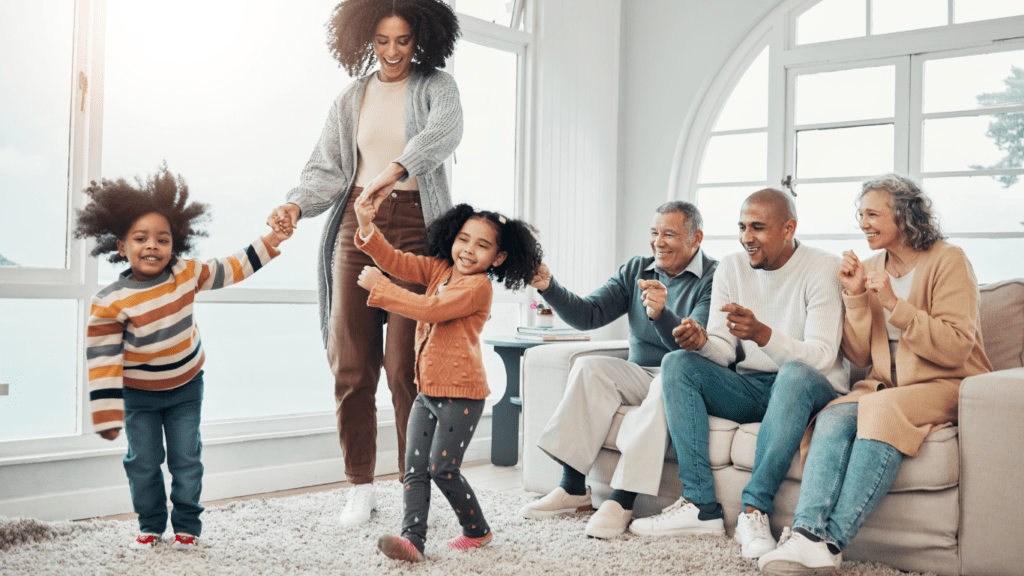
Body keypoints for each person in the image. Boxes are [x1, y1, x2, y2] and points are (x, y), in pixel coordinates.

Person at [265, 0, 462, 527]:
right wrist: (294, 205)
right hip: (357, 227)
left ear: (421, 38)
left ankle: (410, 484)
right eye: (382, 41)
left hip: (418, 229)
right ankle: (358, 487)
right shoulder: (351, 98)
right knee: (351, 366)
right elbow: (325, 170)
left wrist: (394, 170)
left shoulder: (437, 86)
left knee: (404, 369)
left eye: (403, 40)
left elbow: (443, 134)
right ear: (364, 40)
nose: (393, 52)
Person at [758, 174, 993, 575]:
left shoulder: (948, 260)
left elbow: (957, 347)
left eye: (871, 214)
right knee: (833, 415)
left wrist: (893, 304)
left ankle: (830, 541)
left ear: (904, 215)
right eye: (860, 214)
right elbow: (859, 354)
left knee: (879, 410)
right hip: (885, 385)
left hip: (947, 384)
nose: (862, 223)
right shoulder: (868, 267)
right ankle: (806, 534)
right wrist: (854, 297)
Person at [75, 165, 289, 551]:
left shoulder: (185, 274)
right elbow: (102, 358)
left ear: (176, 243)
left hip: (187, 387)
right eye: (141, 238)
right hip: (139, 395)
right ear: (121, 246)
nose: (152, 245)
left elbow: (231, 268)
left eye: (163, 238)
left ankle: (187, 523)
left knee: (186, 460)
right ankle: (151, 524)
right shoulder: (109, 301)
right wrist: (106, 413)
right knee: (143, 462)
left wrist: (272, 237)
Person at [629, 189, 848, 560]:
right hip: (752, 387)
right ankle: (701, 507)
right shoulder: (731, 267)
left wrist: (763, 334)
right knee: (678, 364)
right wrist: (699, 343)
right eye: (743, 227)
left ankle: (754, 511)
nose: (747, 237)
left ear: (788, 228)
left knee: (794, 373)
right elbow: (724, 349)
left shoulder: (822, 268)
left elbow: (823, 358)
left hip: (809, 388)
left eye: (758, 228)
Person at [351, 197, 542, 562]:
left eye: (482, 245)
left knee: (442, 470)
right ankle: (412, 541)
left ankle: (477, 531)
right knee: (415, 468)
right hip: (426, 391)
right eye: (464, 239)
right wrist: (366, 229)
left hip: (462, 396)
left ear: (498, 258)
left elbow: (431, 309)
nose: (469, 250)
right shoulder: (440, 270)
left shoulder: (477, 288)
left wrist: (381, 288)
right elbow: (397, 261)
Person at [518, 201, 718, 539]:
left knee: (668, 373)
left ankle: (622, 501)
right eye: (654, 233)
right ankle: (573, 489)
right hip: (639, 374)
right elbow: (590, 314)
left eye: (669, 234)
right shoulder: (638, 269)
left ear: (696, 238)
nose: (658, 242)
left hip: (686, 375)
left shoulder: (714, 278)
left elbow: (692, 344)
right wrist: (549, 286)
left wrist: (661, 314)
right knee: (588, 367)